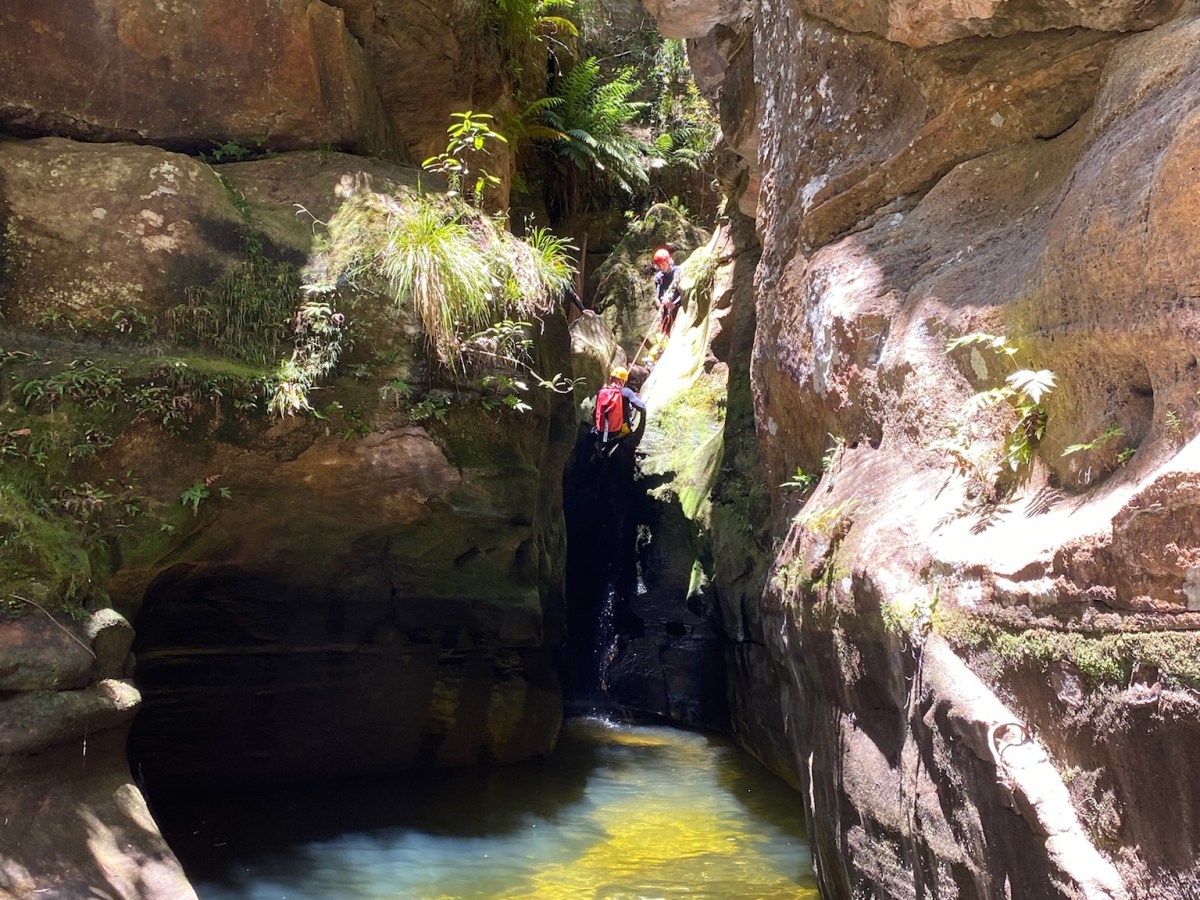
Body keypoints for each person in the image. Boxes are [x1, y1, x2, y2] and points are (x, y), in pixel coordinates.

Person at [593, 366, 646, 457]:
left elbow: (595, 413)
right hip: (619, 431)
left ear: (611, 378)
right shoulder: (626, 392)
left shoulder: (602, 392)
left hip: (601, 432)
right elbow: (641, 406)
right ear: (623, 381)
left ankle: (599, 451)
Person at [652, 247, 682, 337]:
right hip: (667, 308)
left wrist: (675, 303)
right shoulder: (659, 277)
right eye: (659, 265)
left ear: (668, 261)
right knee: (665, 332)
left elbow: (684, 292)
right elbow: (659, 294)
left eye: (662, 264)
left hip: (679, 306)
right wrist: (663, 301)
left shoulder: (678, 272)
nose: (661, 267)